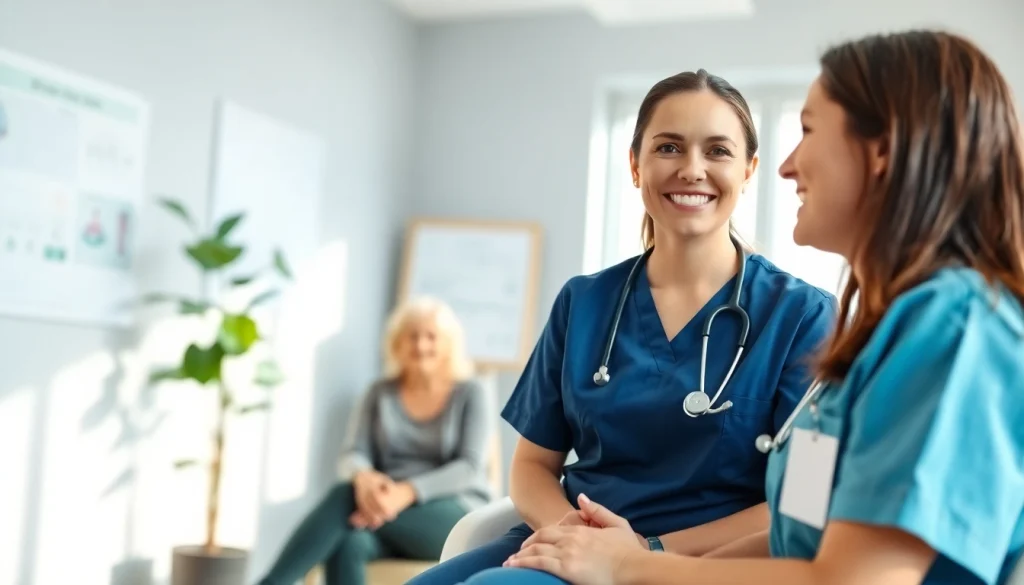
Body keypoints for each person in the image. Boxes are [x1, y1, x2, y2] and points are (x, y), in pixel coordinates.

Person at [467, 29, 1024, 585]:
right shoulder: (884, 339)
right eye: (668, 146)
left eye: (807, 131)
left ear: (881, 152)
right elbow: (796, 527)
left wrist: (632, 563)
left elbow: (849, 578)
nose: (787, 166)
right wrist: (644, 567)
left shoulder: (953, 329)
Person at [408, 69, 838, 585]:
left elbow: (806, 506)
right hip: (569, 541)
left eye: (718, 151)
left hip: (698, 565)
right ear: (635, 165)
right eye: (669, 147)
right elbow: (531, 466)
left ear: (749, 171)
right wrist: (575, 534)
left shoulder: (805, 316)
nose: (692, 169)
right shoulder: (584, 302)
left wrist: (641, 550)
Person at [257, 297, 495, 585]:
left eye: (431, 336)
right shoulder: (379, 393)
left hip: (453, 512)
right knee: (348, 543)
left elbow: (468, 467)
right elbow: (353, 453)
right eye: (412, 336)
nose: (421, 345)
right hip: (381, 508)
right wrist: (365, 479)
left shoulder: (471, 392)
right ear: (398, 344)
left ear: (448, 344)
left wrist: (405, 492)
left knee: (344, 499)